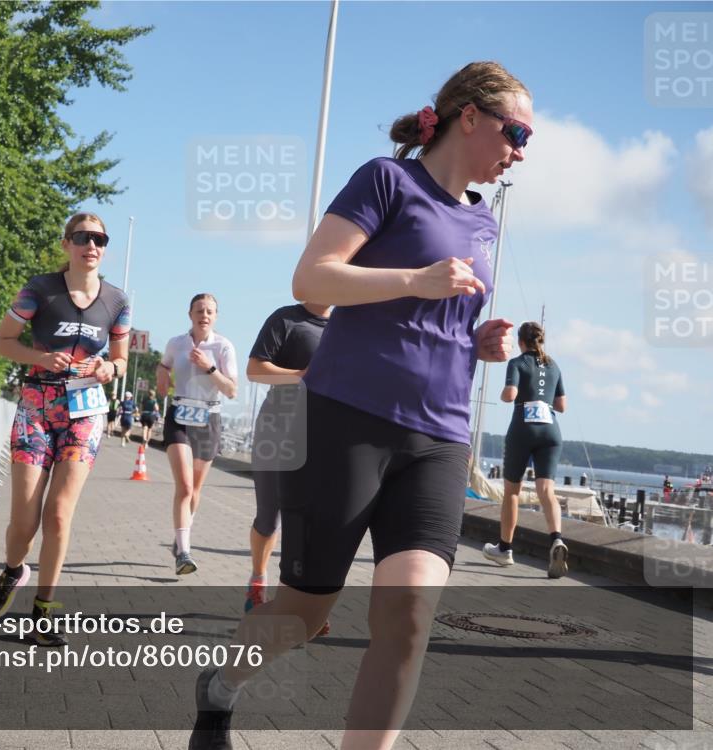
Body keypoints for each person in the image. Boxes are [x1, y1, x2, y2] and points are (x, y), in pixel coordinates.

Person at [188, 61, 525, 750]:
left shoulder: (485, 222)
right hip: (345, 418)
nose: (520, 150)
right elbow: (312, 278)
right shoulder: (387, 180)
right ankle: (221, 688)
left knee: (408, 619)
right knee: (306, 614)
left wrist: (478, 339)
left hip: (439, 437)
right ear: (469, 117)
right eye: (515, 131)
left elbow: (443, 318)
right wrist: (417, 278)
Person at [0, 212, 130, 646]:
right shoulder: (40, 290)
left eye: (100, 238)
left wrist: (107, 367)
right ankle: (13, 571)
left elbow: (120, 360)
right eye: (82, 237)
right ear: (66, 244)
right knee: (23, 522)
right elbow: (1, 341)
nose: (92, 245)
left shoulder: (117, 300)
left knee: (59, 513)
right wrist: (41, 358)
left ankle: (44, 610)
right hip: (37, 408)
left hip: (84, 413)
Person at [245, 302, 331, 629]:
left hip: (319, 434)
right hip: (276, 428)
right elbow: (254, 369)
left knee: (308, 520)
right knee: (269, 517)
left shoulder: (344, 327)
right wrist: (301, 376)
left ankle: (300, 603)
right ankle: (257, 581)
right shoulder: (286, 319)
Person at [157, 293, 238, 575]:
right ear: (190, 314)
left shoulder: (223, 347)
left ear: (216, 316)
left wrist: (209, 367)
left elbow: (231, 389)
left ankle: (180, 540)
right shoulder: (176, 343)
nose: (205, 315)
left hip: (208, 418)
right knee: (185, 487)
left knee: (196, 491)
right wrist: (162, 375)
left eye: (210, 311)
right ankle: (184, 553)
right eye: (199, 310)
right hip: (179, 416)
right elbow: (164, 363)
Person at [482, 322, 569, 578]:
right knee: (546, 491)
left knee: (512, 491)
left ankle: (505, 549)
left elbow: (510, 395)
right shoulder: (554, 365)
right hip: (551, 430)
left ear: (521, 341)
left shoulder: (518, 363)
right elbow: (561, 405)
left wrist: (506, 392)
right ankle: (556, 538)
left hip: (523, 428)